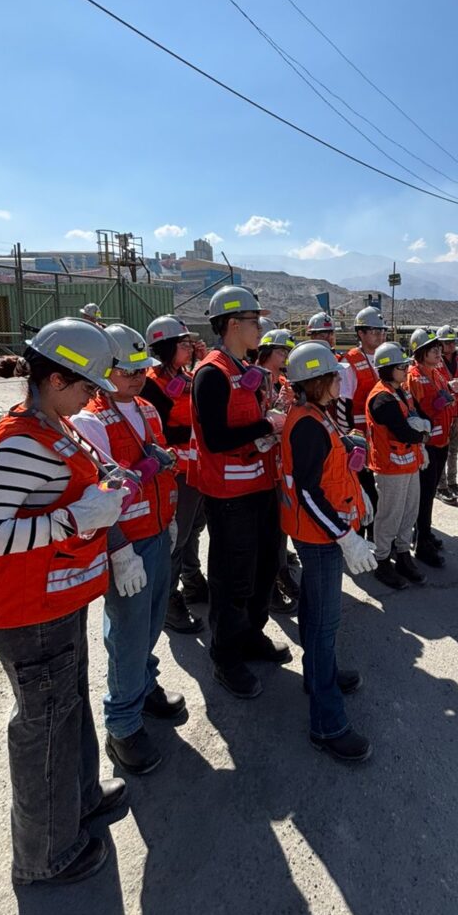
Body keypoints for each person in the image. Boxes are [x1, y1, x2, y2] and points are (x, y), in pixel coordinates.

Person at [0, 318, 127, 885]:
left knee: (67, 704)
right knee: (44, 725)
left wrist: (105, 485)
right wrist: (73, 519)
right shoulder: (21, 441)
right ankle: (44, 855)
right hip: (26, 612)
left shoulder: (53, 423)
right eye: (87, 387)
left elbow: (73, 480)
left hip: (56, 600)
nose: (93, 399)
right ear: (55, 379)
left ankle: (76, 801)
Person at [72, 324, 183, 776]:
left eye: (142, 369)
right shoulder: (90, 421)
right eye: (127, 370)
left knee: (152, 621)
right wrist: (118, 550)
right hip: (128, 544)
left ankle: (144, 684)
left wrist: (172, 517)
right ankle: (122, 725)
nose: (137, 377)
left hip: (157, 533)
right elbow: (97, 492)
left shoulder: (146, 409)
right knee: (127, 633)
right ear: (104, 370)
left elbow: (160, 465)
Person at [189, 285, 289, 700]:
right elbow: (214, 439)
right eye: (254, 321)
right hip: (231, 495)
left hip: (261, 483)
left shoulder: (245, 368)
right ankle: (225, 655)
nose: (260, 328)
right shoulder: (211, 373)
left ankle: (252, 635)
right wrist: (268, 426)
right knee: (234, 576)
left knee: (266, 565)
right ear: (232, 324)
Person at [279, 341, 375, 763]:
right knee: (323, 623)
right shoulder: (307, 425)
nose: (340, 379)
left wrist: (358, 498)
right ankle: (327, 723)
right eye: (334, 375)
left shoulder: (317, 416)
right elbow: (308, 493)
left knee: (318, 618)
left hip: (324, 533)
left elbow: (330, 476)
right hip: (319, 539)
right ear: (317, 382)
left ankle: (321, 674)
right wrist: (345, 536)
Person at [142, 315, 206, 636]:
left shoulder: (187, 375)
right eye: (183, 344)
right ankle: (168, 600)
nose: (189, 347)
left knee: (195, 527)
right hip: (175, 471)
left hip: (195, 467)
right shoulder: (151, 383)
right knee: (177, 535)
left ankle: (192, 579)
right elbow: (161, 430)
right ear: (166, 347)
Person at [365, 340, 429, 589]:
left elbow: (421, 415)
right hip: (390, 467)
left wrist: (422, 433)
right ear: (387, 368)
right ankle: (382, 560)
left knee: (409, 512)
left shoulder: (402, 391)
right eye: (401, 366)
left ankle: (403, 555)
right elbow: (403, 431)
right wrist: (422, 436)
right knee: (390, 515)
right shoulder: (382, 398)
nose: (406, 370)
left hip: (410, 463)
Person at [257, 327, 301, 616]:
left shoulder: (283, 381)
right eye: (282, 351)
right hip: (259, 466)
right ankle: (269, 584)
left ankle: (281, 571)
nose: (285, 356)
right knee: (266, 530)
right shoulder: (253, 379)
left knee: (281, 523)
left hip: (280, 463)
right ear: (267, 351)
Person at [406, 328, 455, 567]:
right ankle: (421, 542)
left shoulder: (436, 373)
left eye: (438, 348)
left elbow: (444, 397)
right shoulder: (414, 376)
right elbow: (418, 412)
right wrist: (441, 402)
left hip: (441, 442)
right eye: (433, 348)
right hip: (428, 445)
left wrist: (447, 398)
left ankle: (423, 532)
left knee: (430, 491)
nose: (438, 351)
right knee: (424, 495)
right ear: (420, 352)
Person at [344, 305, 387, 522]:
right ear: (361, 333)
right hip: (360, 439)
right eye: (374, 331)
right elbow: (343, 405)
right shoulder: (350, 362)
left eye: (382, 331)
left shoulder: (387, 357)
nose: (380, 335)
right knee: (365, 491)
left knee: (383, 493)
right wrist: (349, 443)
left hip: (384, 438)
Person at [435, 324, 458, 503]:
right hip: (442, 413)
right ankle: (440, 486)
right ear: (439, 344)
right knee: (442, 449)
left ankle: (452, 483)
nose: (450, 346)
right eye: (446, 342)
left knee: (453, 450)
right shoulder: (433, 362)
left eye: (453, 342)